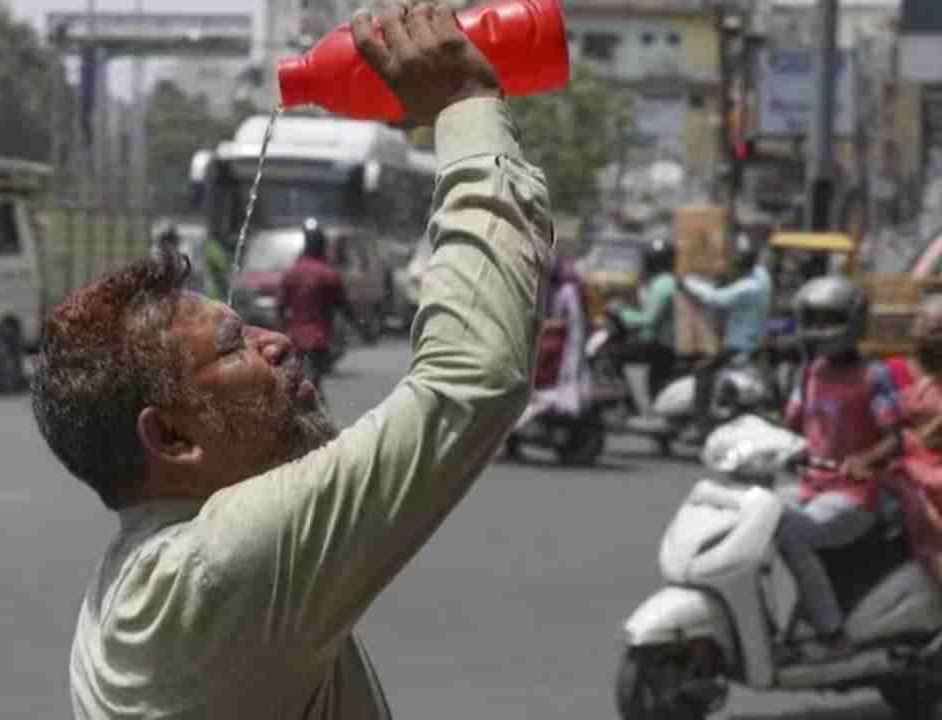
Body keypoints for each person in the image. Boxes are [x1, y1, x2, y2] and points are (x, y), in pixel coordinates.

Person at [29, 5, 553, 717]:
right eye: (233, 348)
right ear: (173, 438)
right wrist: (464, 106)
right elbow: (472, 377)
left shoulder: (147, 577)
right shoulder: (221, 567)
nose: (276, 342)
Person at [776, 275, 902, 660]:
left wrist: (866, 459)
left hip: (855, 495)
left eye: (826, 319)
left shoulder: (873, 376)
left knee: (791, 534)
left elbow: (895, 438)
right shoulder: (810, 372)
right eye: (810, 319)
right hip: (809, 487)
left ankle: (831, 632)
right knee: (751, 518)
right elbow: (792, 427)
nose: (816, 330)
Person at [845, 297, 942, 584]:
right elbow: (895, 436)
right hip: (909, 470)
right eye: (926, 330)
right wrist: (867, 459)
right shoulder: (897, 378)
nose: (929, 339)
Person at [678, 233, 773, 440]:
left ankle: (701, 425)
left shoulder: (749, 287)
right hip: (753, 342)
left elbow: (716, 299)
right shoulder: (762, 278)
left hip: (738, 345)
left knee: (702, 371)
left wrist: (688, 282)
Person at [278, 218, 364, 400]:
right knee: (313, 384)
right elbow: (343, 305)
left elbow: (281, 307)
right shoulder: (329, 274)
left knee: (298, 382)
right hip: (319, 339)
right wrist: (358, 326)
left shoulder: (292, 273)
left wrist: (283, 330)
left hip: (296, 339)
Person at [518, 256, 591, 427]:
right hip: (569, 337)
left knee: (566, 372)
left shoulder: (568, 290)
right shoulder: (563, 289)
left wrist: (550, 326)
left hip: (571, 338)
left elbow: (570, 319)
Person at [611, 235, 679, 405]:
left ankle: (625, 399)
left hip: (662, 344)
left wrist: (621, 313)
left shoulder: (662, 285)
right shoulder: (665, 281)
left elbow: (649, 319)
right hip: (662, 340)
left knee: (614, 353)